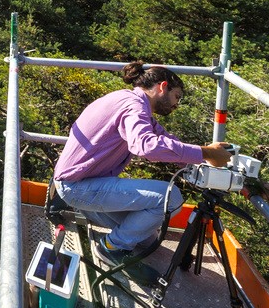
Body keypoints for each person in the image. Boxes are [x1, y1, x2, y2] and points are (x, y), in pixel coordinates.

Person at [50, 61, 233, 269]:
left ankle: (113, 232)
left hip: (84, 182)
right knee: (170, 198)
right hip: (78, 187)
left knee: (148, 239)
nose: (176, 104)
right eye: (177, 97)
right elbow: (146, 146)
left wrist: (206, 156)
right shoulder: (134, 107)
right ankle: (111, 247)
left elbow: (166, 140)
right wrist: (205, 152)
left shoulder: (128, 100)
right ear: (163, 87)